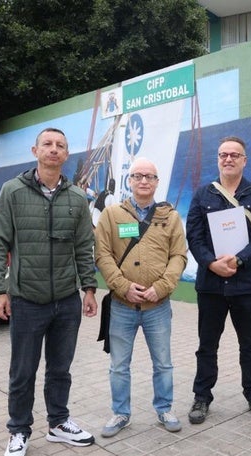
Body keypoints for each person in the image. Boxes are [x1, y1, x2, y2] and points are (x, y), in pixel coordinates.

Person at [0, 127, 98, 456]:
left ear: (66, 155)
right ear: (35, 150)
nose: (53, 150)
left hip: (66, 300)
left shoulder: (77, 198)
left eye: (60, 146)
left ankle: (58, 423)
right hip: (26, 299)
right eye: (47, 144)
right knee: (22, 371)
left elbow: (84, 247)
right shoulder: (12, 192)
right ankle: (19, 431)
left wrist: (89, 289)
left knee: (60, 368)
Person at [94, 157, 188, 437]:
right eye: (138, 176)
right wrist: (122, 286)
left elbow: (179, 256)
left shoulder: (170, 217)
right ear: (129, 181)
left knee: (163, 363)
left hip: (157, 306)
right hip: (123, 305)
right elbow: (102, 254)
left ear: (157, 182)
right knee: (119, 365)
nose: (144, 181)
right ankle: (120, 413)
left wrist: (161, 287)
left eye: (150, 176)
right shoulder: (111, 215)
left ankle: (164, 408)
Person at [186, 136, 251, 424]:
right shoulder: (202, 195)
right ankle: (202, 398)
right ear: (218, 159)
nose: (228, 159)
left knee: (250, 344)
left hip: (246, 284)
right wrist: (212, 263)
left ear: (244, 160)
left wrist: (238, 259)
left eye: (235, 155)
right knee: (207, 345)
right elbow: (194, 236)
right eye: (224, 154)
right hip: (211, 285)